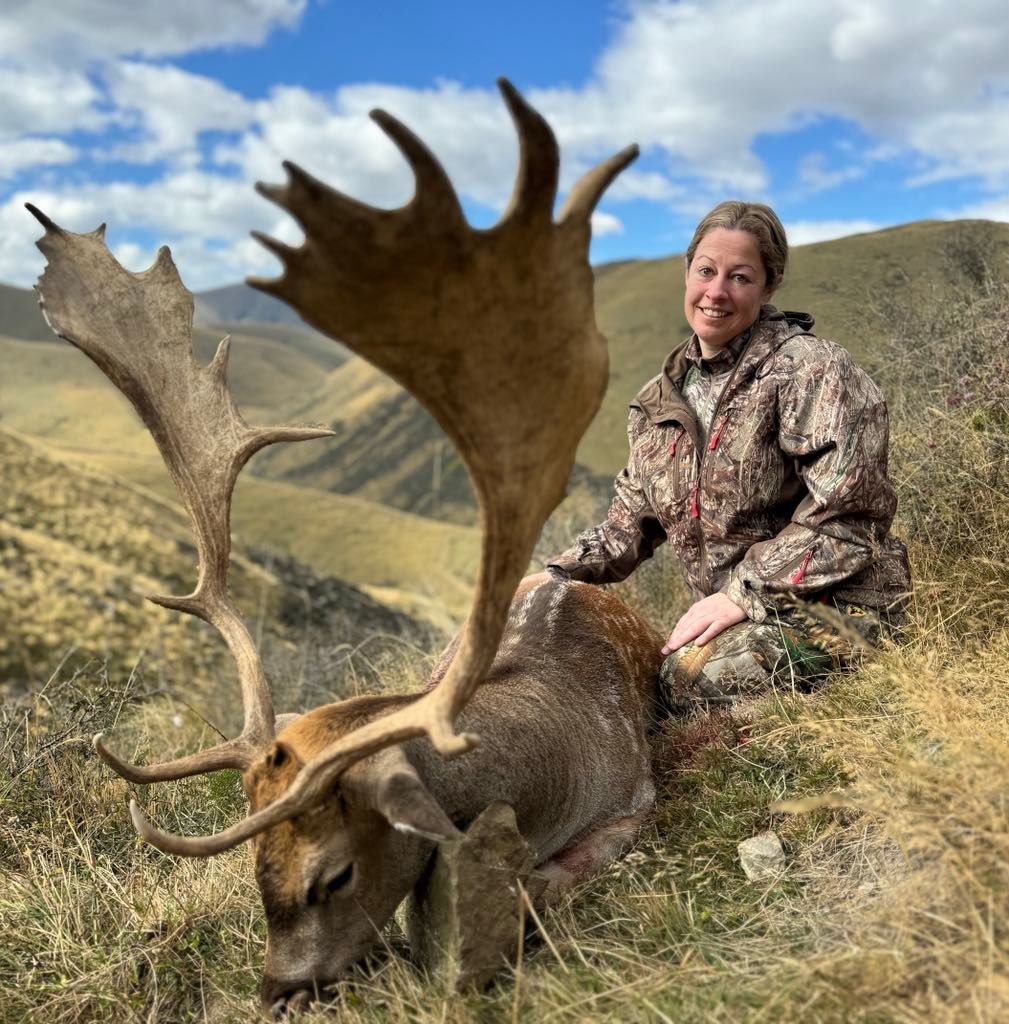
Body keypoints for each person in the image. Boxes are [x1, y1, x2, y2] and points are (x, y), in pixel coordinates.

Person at [545, 200, 911, 711]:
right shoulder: (657, 402)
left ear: (769, 286)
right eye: (706, 271)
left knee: (683, 682)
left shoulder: (811, 370)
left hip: (840, 606)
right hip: (741, 613)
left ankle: (832, 719)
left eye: (740, 277)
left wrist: (742, 592)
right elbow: (625, 528)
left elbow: (851, 518)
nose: (716, 292)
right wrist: (552, 578)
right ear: (687, 272)